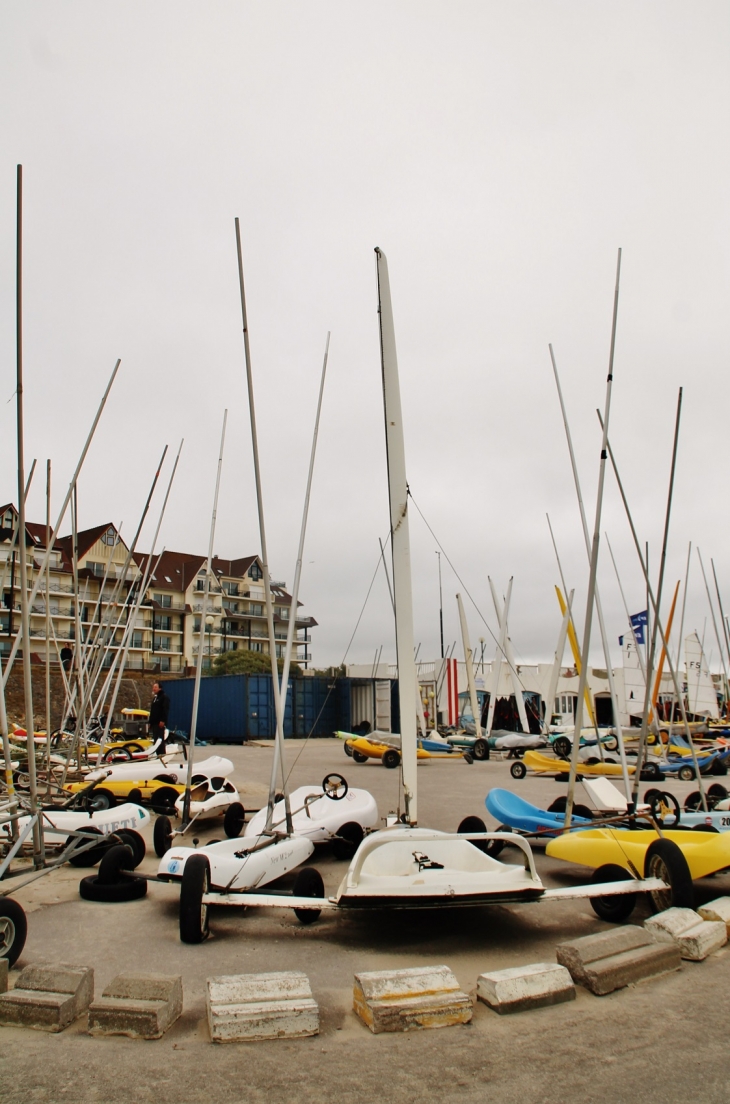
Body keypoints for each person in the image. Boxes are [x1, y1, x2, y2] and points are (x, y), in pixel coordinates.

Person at [148, 681, 171, 754]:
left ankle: (161, 754)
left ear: (160, 688)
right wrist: (150, 722)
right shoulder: (155, 698)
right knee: (155, 739)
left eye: (155, 687)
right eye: (153, 687)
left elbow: (165, 709)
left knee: (160, 739)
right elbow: (153, 711)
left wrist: (163, 720)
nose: (154, 688)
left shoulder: (164, 697)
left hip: (160, 722)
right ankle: (157, 754)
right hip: (154, 722)